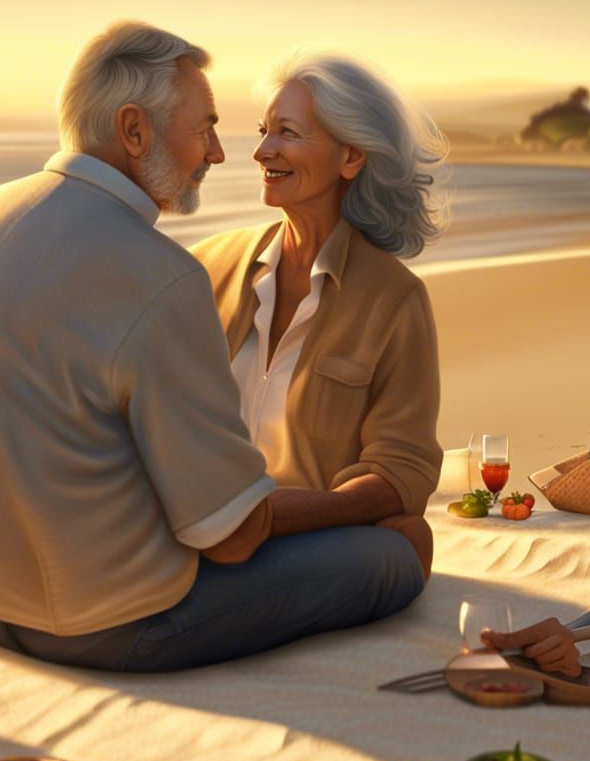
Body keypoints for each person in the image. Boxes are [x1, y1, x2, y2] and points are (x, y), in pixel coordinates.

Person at [0, 21, 428, 673]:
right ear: (134, 131)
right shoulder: (162, 276)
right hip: (83, 622)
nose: (218, 153)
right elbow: (231, 535)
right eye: (204, 128)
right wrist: (355, 504)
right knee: (398, 549)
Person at [190, 50, 444, 577]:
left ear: (351, 158)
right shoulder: (206, 267)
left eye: (287, 132)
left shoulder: (395, 300)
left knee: (404, 544)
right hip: (189, 532)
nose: (262, 151)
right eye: (263, 131)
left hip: (306, 543)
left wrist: (270, 519)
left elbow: (402, 472)